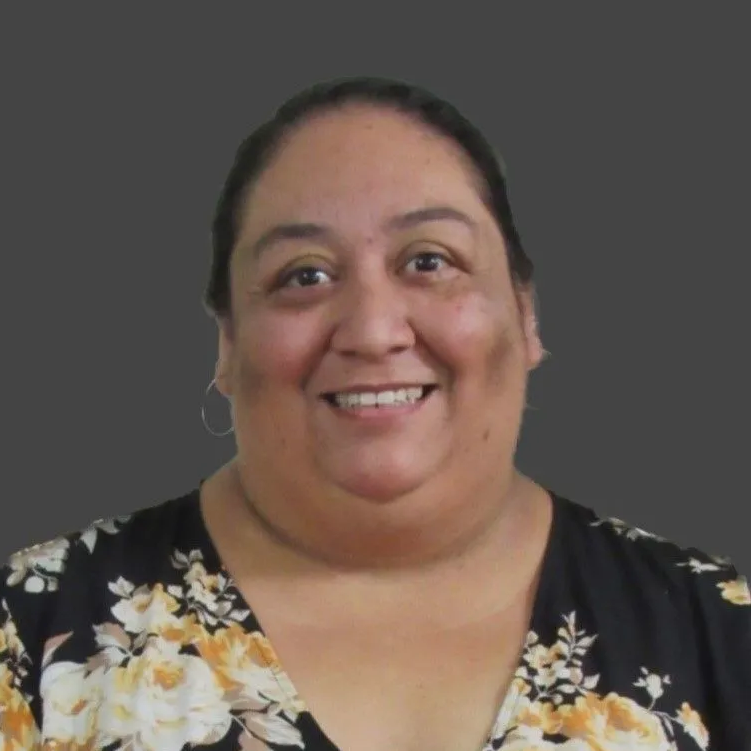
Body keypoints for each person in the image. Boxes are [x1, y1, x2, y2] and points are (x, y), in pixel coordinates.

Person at [0, 76, 748, 751]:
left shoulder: (715, 628)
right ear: (227, 342)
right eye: (305, 274)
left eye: (429, 260)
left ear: (524, 314)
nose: (371, 329)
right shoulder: (30, 636)